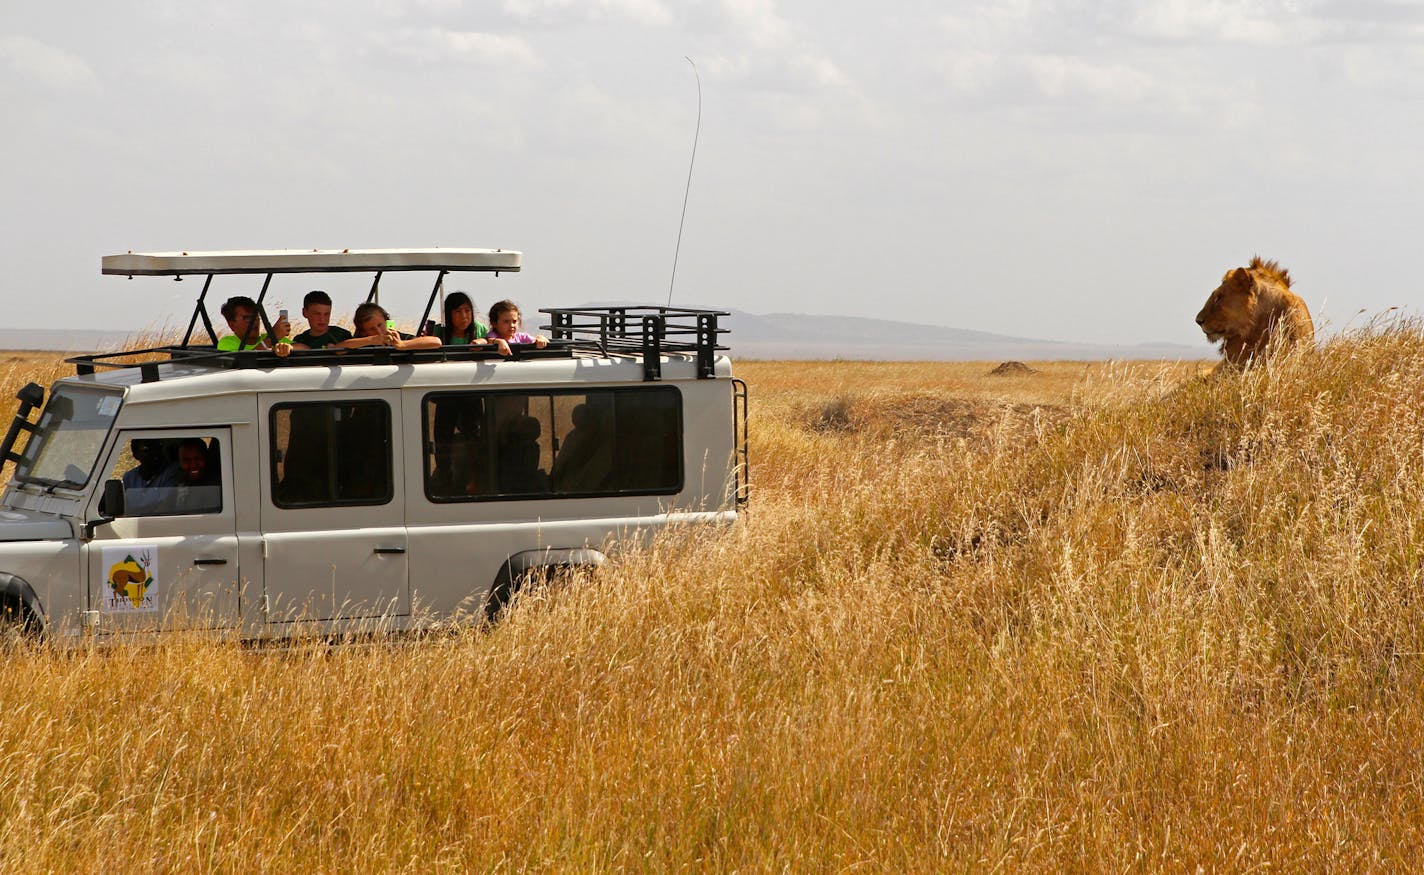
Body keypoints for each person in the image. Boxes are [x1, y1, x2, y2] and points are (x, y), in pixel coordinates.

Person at [337, 302, 442, 351]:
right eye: (372, 329)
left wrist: (402, 345)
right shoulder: (361, 343)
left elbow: (436, 342)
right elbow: (339, 349)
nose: (378, 331)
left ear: (386, 321)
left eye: (380, 325)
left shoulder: (397, 337)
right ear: (364, 332)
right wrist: (371, 340)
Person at [121, 438, 180, 515]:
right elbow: (123, 509)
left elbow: (166, 507)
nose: (154, 452)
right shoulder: (129, 477)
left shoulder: (172, 472)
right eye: (146, 449)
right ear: (135, 454)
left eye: (157, 447)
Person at [282, 290, 353, 354]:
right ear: (305, 313)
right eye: (317, 314)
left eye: (326, 314)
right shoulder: (300, 339)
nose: (322, 319)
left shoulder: (342, 335)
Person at [217, 296, 289, 352]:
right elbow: (241, 362)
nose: (254, 321)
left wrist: (289, 348)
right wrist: (271, 339)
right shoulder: (227, 343)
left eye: (256, 317)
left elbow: (299, 347)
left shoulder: (269, 338)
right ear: (232, 325)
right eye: (247, 318)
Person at [172, 437, 221, 514]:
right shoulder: (176, 480)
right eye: (186, 460)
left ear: (205, 458)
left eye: (198, 458)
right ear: (179, 462)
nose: (193, 465)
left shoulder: (214, 487)